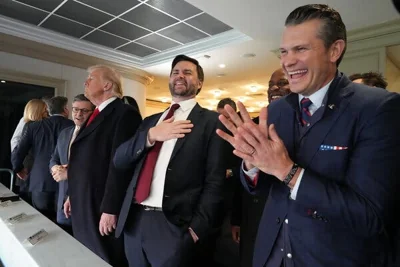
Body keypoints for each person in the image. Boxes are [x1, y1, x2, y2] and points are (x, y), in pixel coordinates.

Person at [217, 4, 400, 267]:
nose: (287, 61)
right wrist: (251, 164)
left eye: (300, 49)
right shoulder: (276, 111)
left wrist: (287, 171)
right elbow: (259, 186)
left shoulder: (378, 109)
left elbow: (370, 216)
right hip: (269, 256)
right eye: (284, 51)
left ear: (334, 50)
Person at [113, 54, 227, 267]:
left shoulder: (211, 122)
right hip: (135, 221)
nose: (179, 76)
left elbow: (215, 182)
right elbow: (119, 160)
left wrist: (195, 230)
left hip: (173, 226)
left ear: (199, 82)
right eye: (175, 72)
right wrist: (151, 136)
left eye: (187, 72)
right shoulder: (150, 122)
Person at [65, 65, 142, 266]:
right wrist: (72, 195)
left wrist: (110, 208)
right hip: (83, 201)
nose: (86, 82)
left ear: (107, 84)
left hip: (101, 206)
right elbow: (84, 160)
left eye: (91, 78)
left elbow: (121, 166)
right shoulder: (94, 114)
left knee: (103, 258)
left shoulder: (125, 114)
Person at [232, 68, 291, 267]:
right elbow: (241, 180)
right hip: (256, 216)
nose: (275, 88)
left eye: (282, 83)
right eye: (271, 84)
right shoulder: (253, 126)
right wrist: (237, 219)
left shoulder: (306, 123)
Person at [12, 96, 73, 220]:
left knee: (40, 222)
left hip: (40, 181)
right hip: (66, 182)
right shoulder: (72, 126)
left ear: (48, 110)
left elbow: (18, 151)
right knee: (64, 227)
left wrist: (18, 168)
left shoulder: (33, 126)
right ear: (66, 110)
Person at [49, 94, 94, 233]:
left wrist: (69, 174)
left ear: (93, 112)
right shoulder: (64, 133)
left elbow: (95, 168)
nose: (79, 114)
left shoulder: (95, 136)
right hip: (62, 196)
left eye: (84, 110)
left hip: (84, 199)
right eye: (75, 109)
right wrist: (54, 168)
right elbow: (53, 158)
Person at [11, 99, 48, 203]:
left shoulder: (45, 124)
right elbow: (15, 142)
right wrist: (18, 167)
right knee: (26, 198)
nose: (47, 111)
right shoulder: (26, 123)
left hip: (33, 166)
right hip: (27, 165)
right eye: (45, 109)